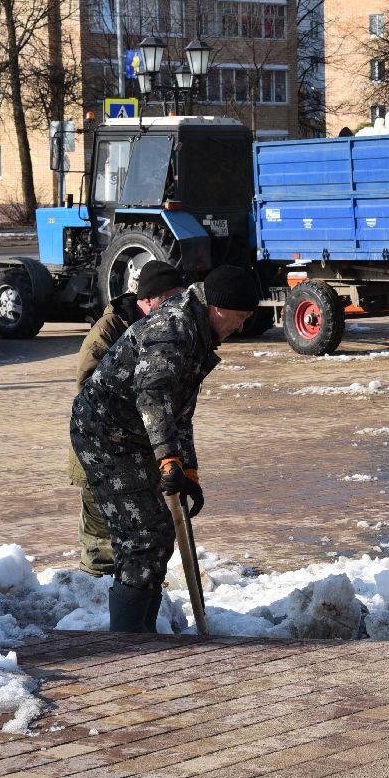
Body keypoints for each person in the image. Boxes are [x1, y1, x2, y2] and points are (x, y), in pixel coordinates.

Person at [69, 264, 260, 632]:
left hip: (137, 433)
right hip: (107, 435)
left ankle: (142, 634)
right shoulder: (172, 329)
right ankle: (128, 642)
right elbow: (153, 397)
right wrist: (167, 459)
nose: (239, 328)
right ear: (218, 308)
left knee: (159, 531)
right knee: (141, 534)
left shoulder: (198, 331)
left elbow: (178, 413)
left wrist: (187, 469)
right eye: (238, 319)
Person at [69, 261, 188, 576]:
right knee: (103, 543)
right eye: (171, 298)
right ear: (148, 300)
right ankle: (93, 610)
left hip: (140, 456)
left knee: (142, 539)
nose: (178, 306)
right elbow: (90, 392)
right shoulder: (109, 330)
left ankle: (133, 605)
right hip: (102, 455)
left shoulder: (168, 331)